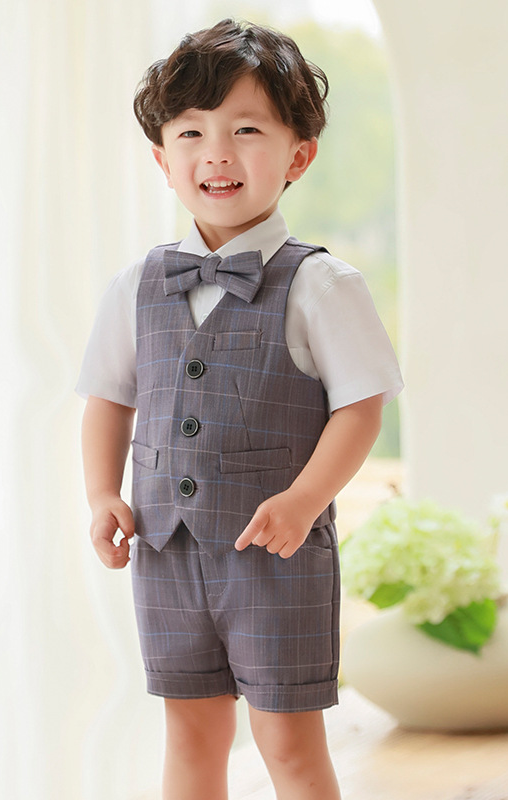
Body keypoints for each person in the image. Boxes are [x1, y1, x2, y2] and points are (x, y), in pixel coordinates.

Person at [77, 18, 403, 800]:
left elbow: (360, 409)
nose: (216, 153)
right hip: (165, 550)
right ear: (163, 160)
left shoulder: (323, 286)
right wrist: (100, 494)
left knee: (287, 739)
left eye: (245, 129)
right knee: (190, 734)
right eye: (191, 132)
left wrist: (305, 499)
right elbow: (108, 398)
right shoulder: (136, 285)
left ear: (298, 155)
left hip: (275, 555)